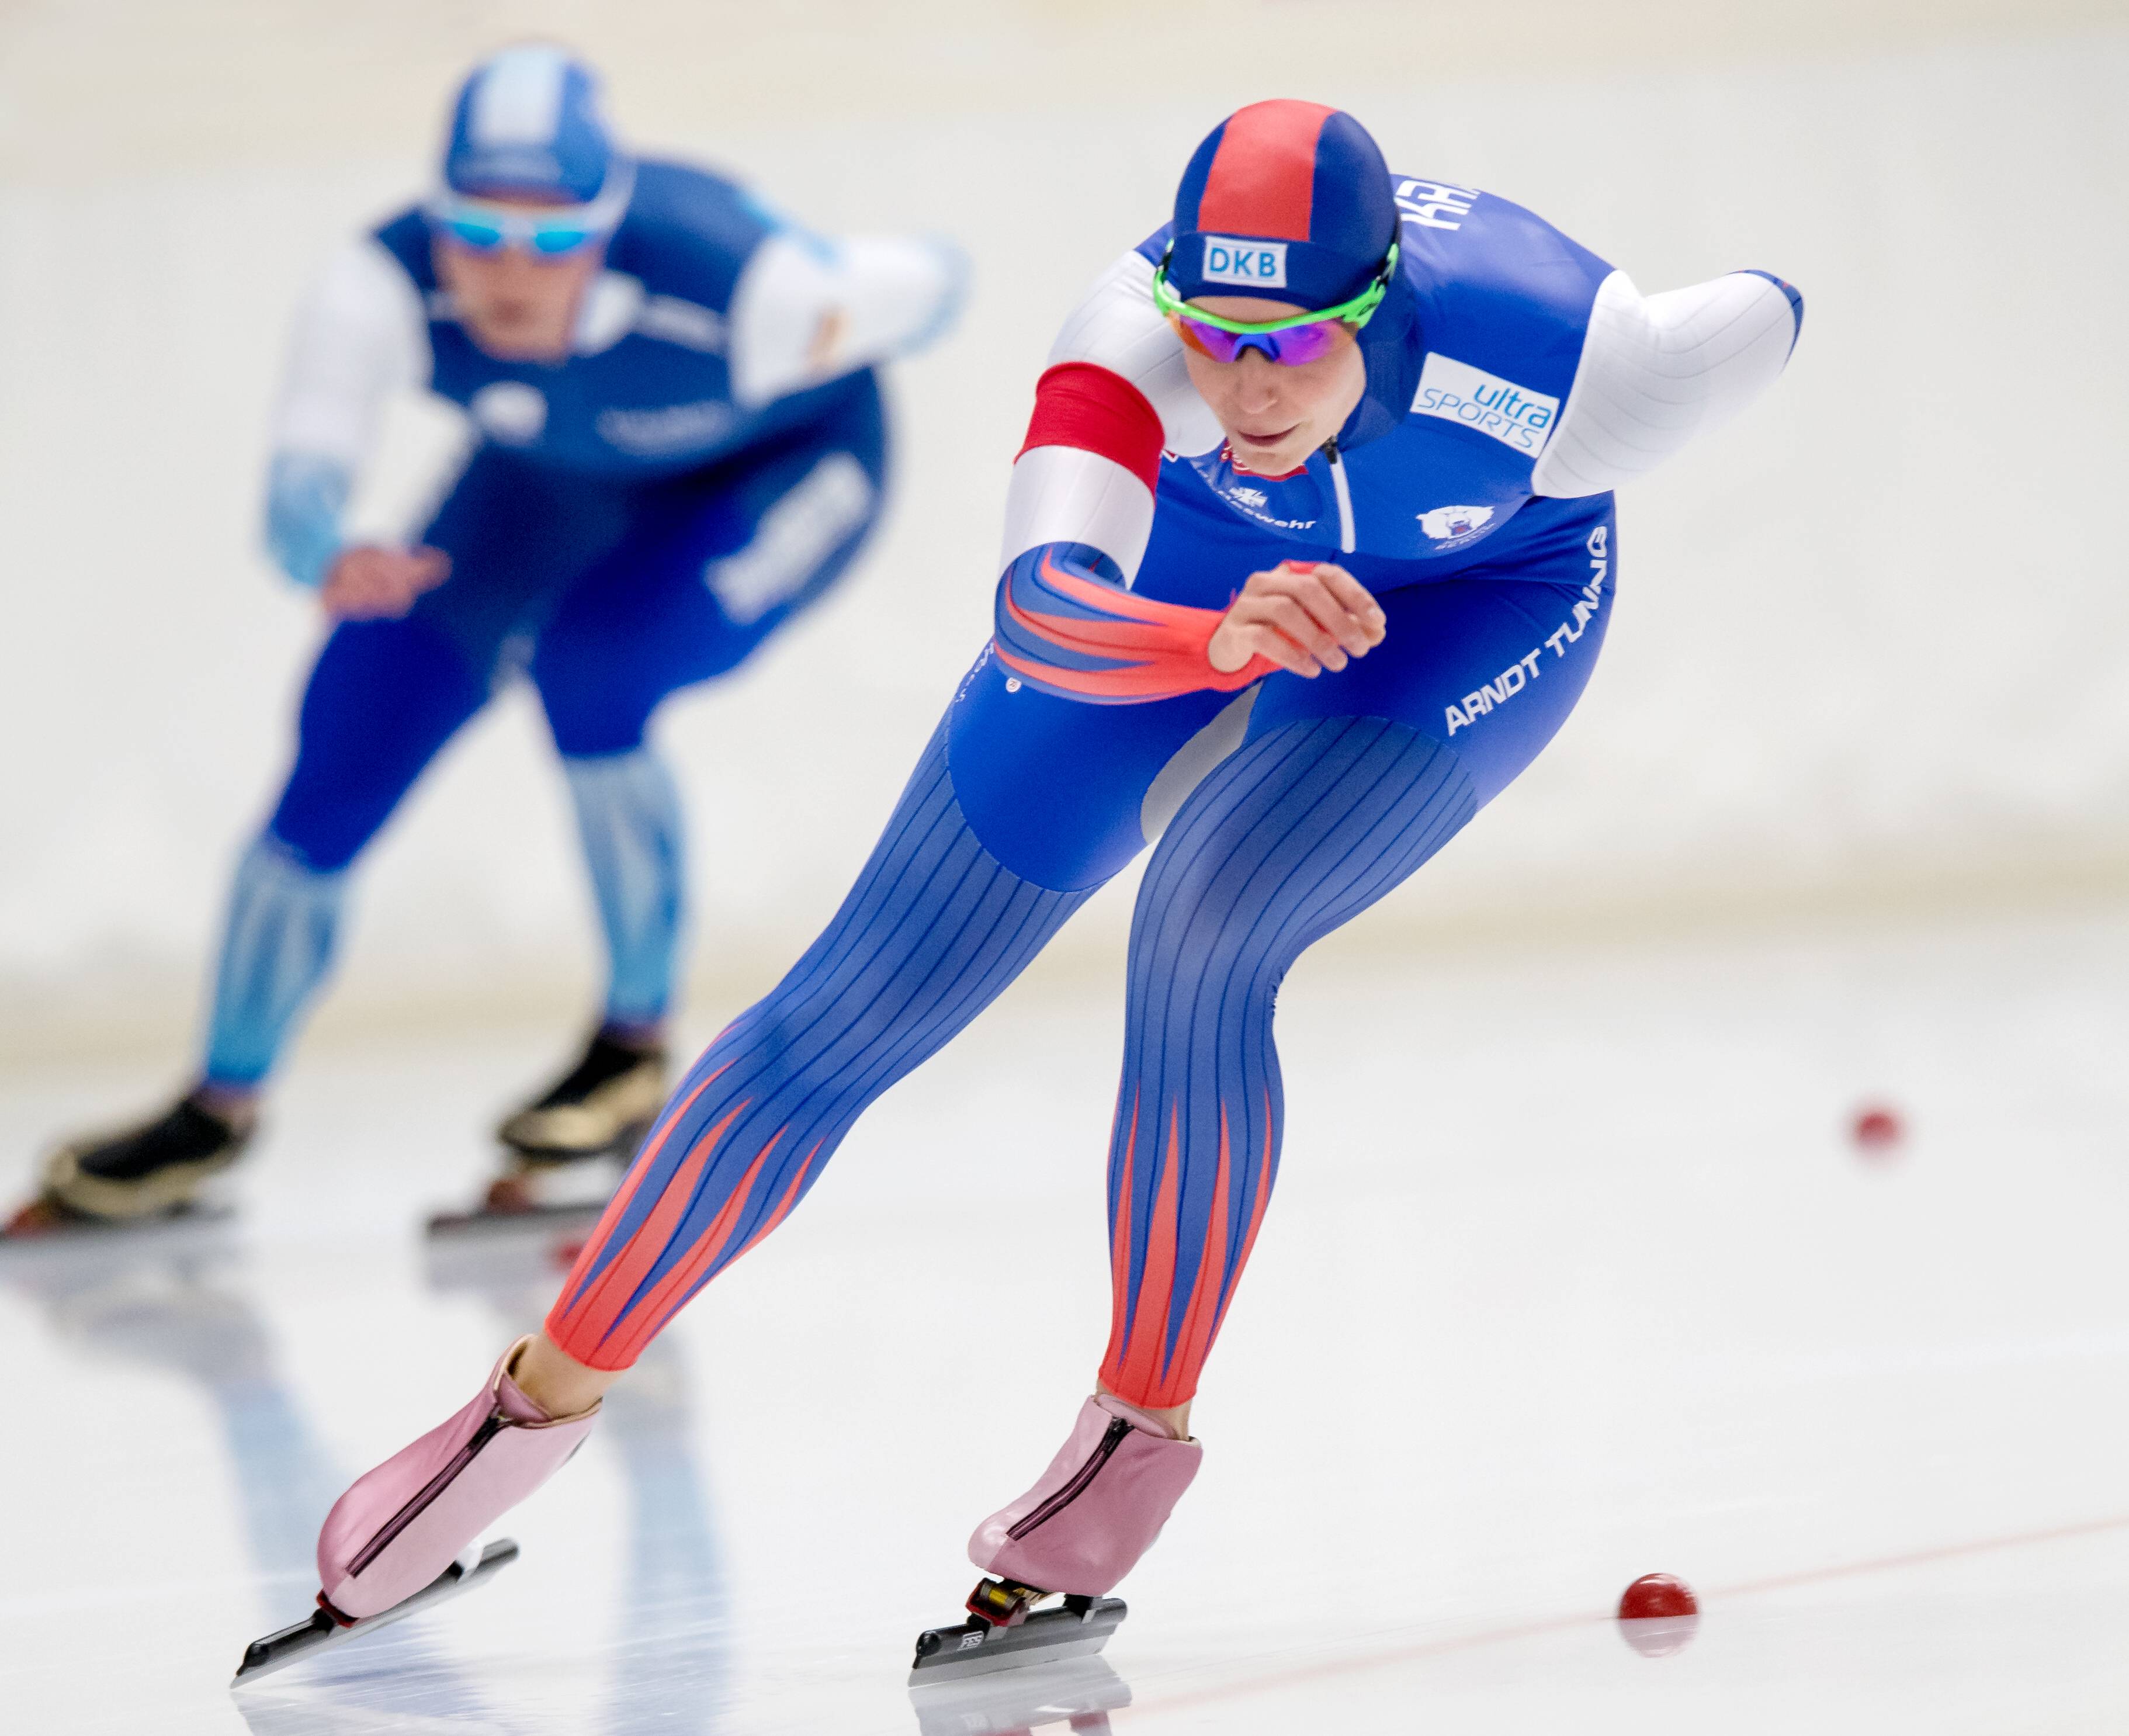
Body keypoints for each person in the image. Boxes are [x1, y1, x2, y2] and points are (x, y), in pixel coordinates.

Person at [300, 99, 1802, 1632]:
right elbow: (1039, 609)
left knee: (1205, 922)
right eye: (1215, 337)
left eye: (1293, 345)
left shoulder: (1584, 361)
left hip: (1476, 599)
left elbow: (1769, 310)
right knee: (848, 1005)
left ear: (1379, 308)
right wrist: (1211, 636)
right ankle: (518, 1419)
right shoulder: (1130, 339)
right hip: (1191, 581)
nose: (1245, 386)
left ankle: (1134, 1441)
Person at [13, 44, 963, 1232]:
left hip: (781, 467)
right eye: (475, 232)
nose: (510, 272)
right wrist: (327, 548)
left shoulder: (750, 289)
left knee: (595, 668)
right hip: (547, 476)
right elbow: (301, 484)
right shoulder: (378, 282)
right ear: (435, 220)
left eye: (554, 240)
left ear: (608, 230)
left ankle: (631, 1053)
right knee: (357, 714)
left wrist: (852, 304)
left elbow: (943, 279)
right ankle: (217, 1106)